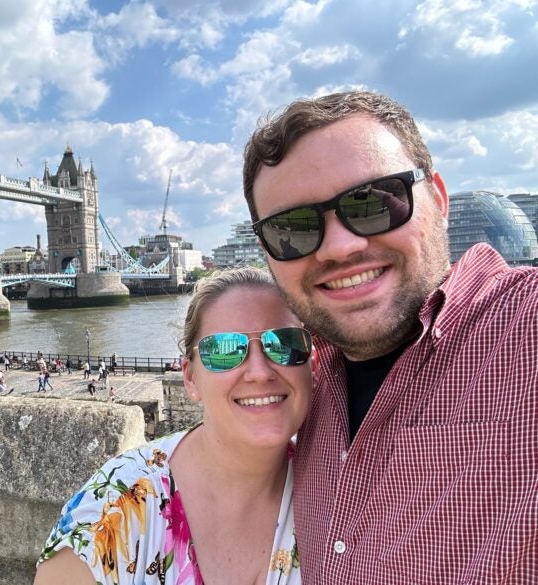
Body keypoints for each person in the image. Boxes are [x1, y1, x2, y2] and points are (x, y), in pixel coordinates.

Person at [242, 90, 538, 584]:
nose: (339, 248)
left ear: (437, 199)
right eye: (293, 228)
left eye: (374, 202)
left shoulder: (523, 326)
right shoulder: (300, 381)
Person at [35, 267, 312, 585]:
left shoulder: (338, 494)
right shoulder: (116, 508)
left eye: (284, 344)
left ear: (312, 363)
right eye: (224, 350)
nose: (260, 372)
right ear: (190, 378)